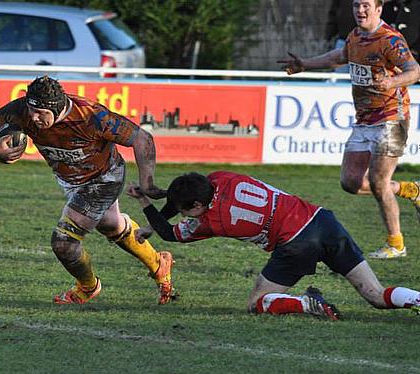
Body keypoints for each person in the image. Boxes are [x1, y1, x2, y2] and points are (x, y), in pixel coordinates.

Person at [0, 75, 175, 305]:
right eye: (31, 111)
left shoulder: (91, 117)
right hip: (72, 181)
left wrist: (147, 183)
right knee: (111, 224)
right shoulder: (22, 110)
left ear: (57, 108)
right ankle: (159, 264)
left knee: (64, 241)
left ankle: (88, 287)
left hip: (104, 178)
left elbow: (142, 138)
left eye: (41, 113)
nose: (34, 118)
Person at [126, 171, 420, 320]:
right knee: (376, 295)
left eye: (187, 210)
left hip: (296, 243)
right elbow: (179, 205)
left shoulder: (213, 222)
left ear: (198, 205)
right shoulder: (218, 178)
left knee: (257, 303)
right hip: (323, 221)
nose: (185, 214)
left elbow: (170, 234)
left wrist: (143, 202)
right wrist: (152, 225)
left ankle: (307, 303)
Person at [278, 0, 420, 259]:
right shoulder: (355, 35)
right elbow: (339, 56)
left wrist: (392, 81)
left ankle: (396, 244)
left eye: (366, 5)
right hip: (364, 120)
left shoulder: (390, 39)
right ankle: (411, 190)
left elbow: (414, 71)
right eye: (356, 5)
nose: (360, 10)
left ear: (379, 9)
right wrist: (305, 64)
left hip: (391, 117)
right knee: (351, 182)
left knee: (378, 181)